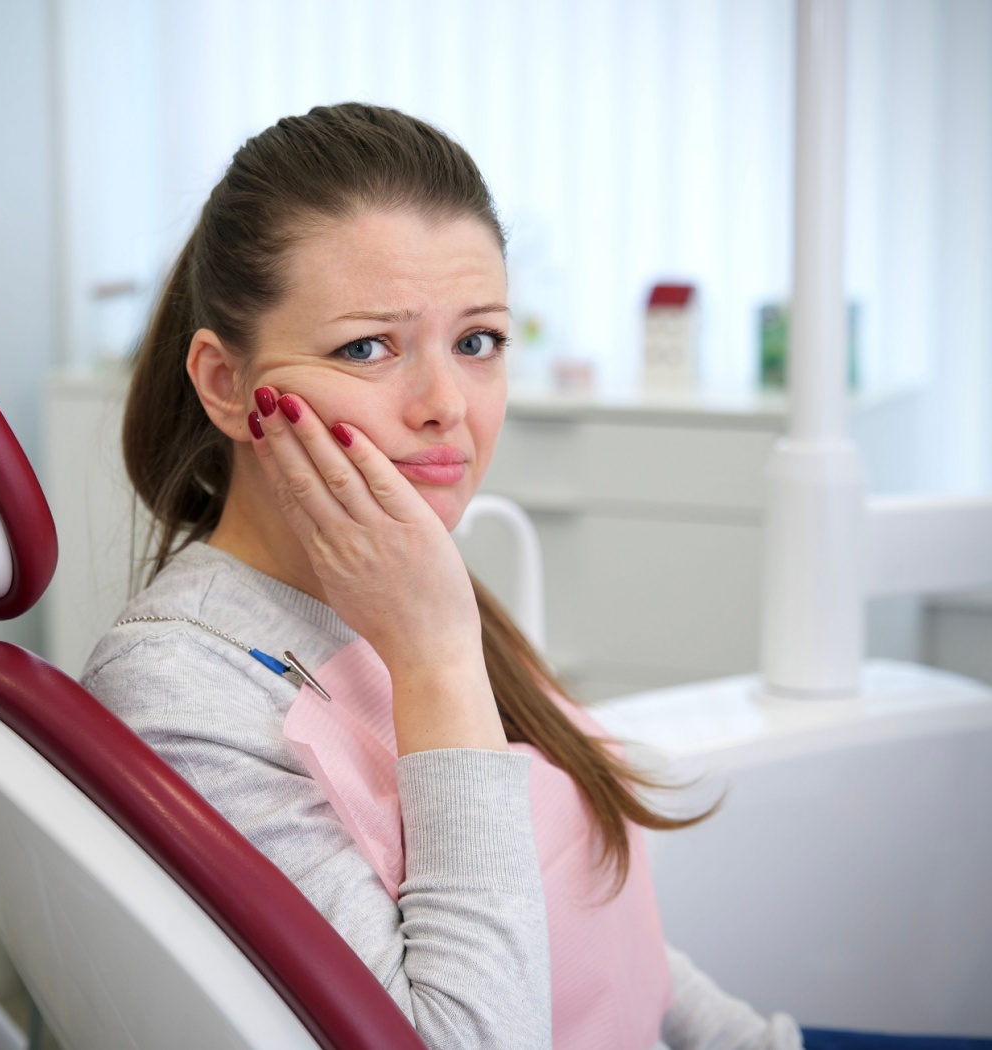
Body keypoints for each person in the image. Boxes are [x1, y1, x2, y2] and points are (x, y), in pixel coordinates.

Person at [82, 102, 802, 1050]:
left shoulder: (406, 584)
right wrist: (436, 665)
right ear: (223, 383)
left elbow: (596, 921)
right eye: (366, 347)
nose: (445, 407)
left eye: (479, 343)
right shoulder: (182, 697)